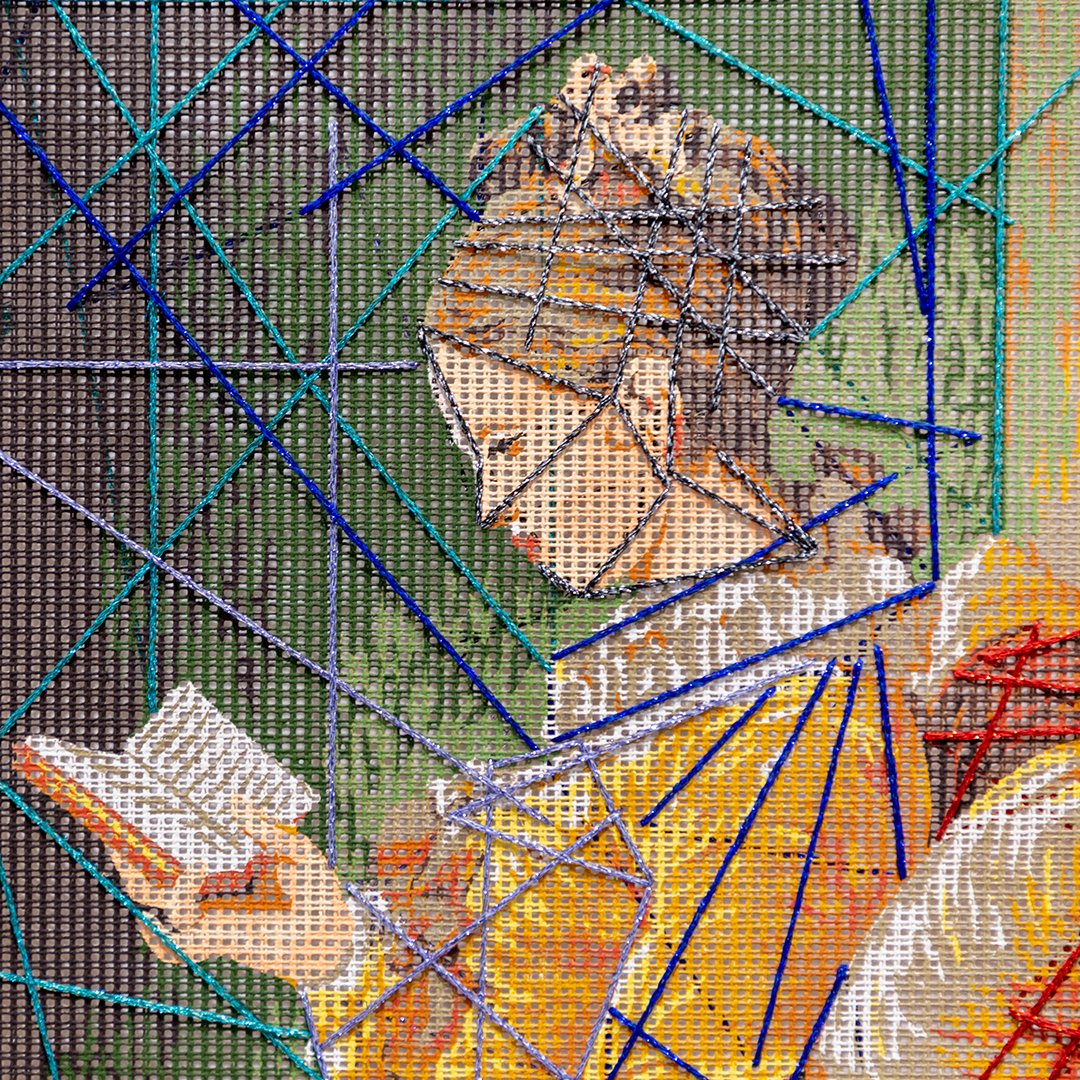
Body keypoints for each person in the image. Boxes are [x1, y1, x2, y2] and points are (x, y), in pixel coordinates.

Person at [106, 56, 1080, 1080]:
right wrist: (325, 948)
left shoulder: (783, 724)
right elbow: (531, 1026)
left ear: (649, 406)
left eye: (509, 444)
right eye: (475, 456)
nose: (493, 501)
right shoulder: (692, 682)